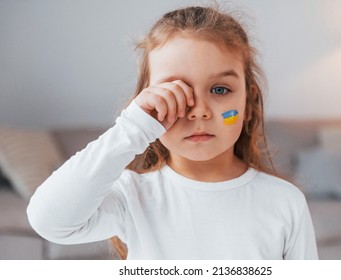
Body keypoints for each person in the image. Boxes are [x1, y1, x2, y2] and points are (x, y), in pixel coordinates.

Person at [27, 4, 318, 260]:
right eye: (176, 91)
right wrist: (133, 127)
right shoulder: (132, 196)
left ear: (248, 103)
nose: (198, 110)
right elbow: (49, 221)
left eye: (220, 89)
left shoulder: (285, 202)